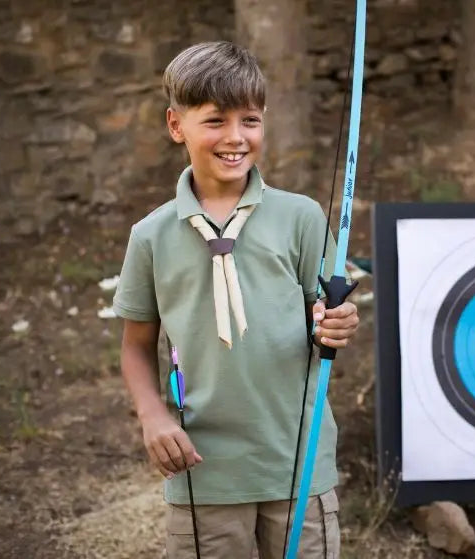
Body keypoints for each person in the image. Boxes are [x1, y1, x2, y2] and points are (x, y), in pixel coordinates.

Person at [113, 41, 359, 559]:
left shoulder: (302, 218)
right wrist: (152, 416)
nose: (235, 137)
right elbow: (136, 345)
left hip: (296, 460)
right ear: (176, 126)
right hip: (203, 467)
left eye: (249, 120)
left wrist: (336, 323)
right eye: (215, 120)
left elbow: (328, 317)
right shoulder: (150, 236)